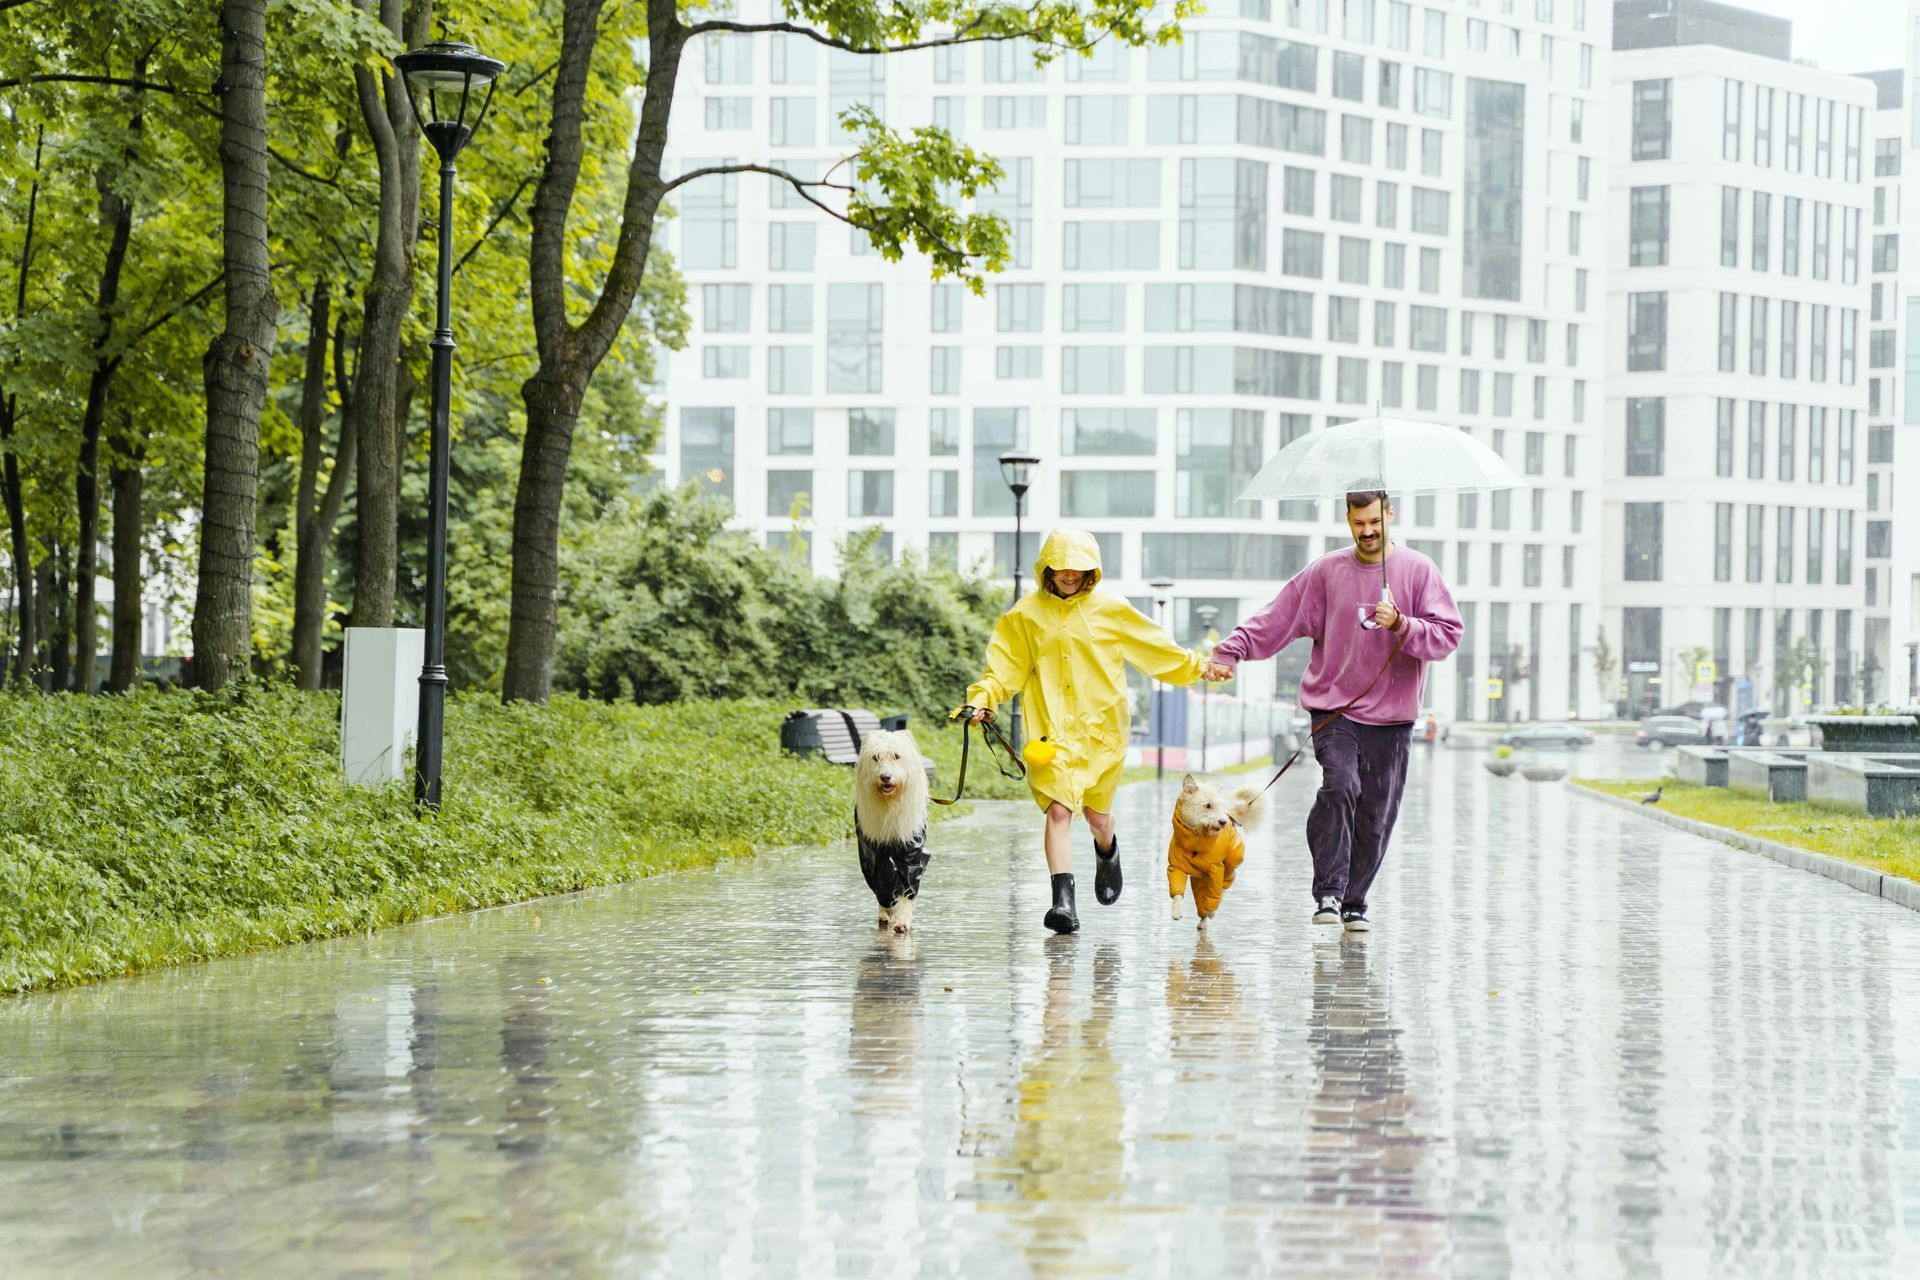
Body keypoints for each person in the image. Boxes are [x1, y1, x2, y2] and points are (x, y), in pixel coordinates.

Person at [1201, 491, 1462, 932]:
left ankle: (1355, 902)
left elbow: (1447, 636)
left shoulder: (1419, 571)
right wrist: (1230, 651)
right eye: (1359, 522)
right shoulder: (1327, 572)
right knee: (1340, 786)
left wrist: (1402, 624)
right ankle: (1328, 891)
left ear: (1391, 516)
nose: (1368, 530)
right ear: (1348, 520)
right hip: (1334, 711)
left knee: (1375, 816)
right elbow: (1277, 618)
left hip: (1394, 719)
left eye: (1375, 521)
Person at [966, 529, 1207, 934]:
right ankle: (1063, 902)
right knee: (1058, 810)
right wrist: (983, 698)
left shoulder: (1112, 609)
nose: (1070, 574)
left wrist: (1200, 667)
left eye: (1079, 568)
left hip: (1101, 730)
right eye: (1062, 567)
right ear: (1048, 567)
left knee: (1096, 816)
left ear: (1090, 568)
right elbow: (1004, 667)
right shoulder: (1025, 615)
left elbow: (1156, 650)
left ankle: (1107, 851)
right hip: (1050, 733)